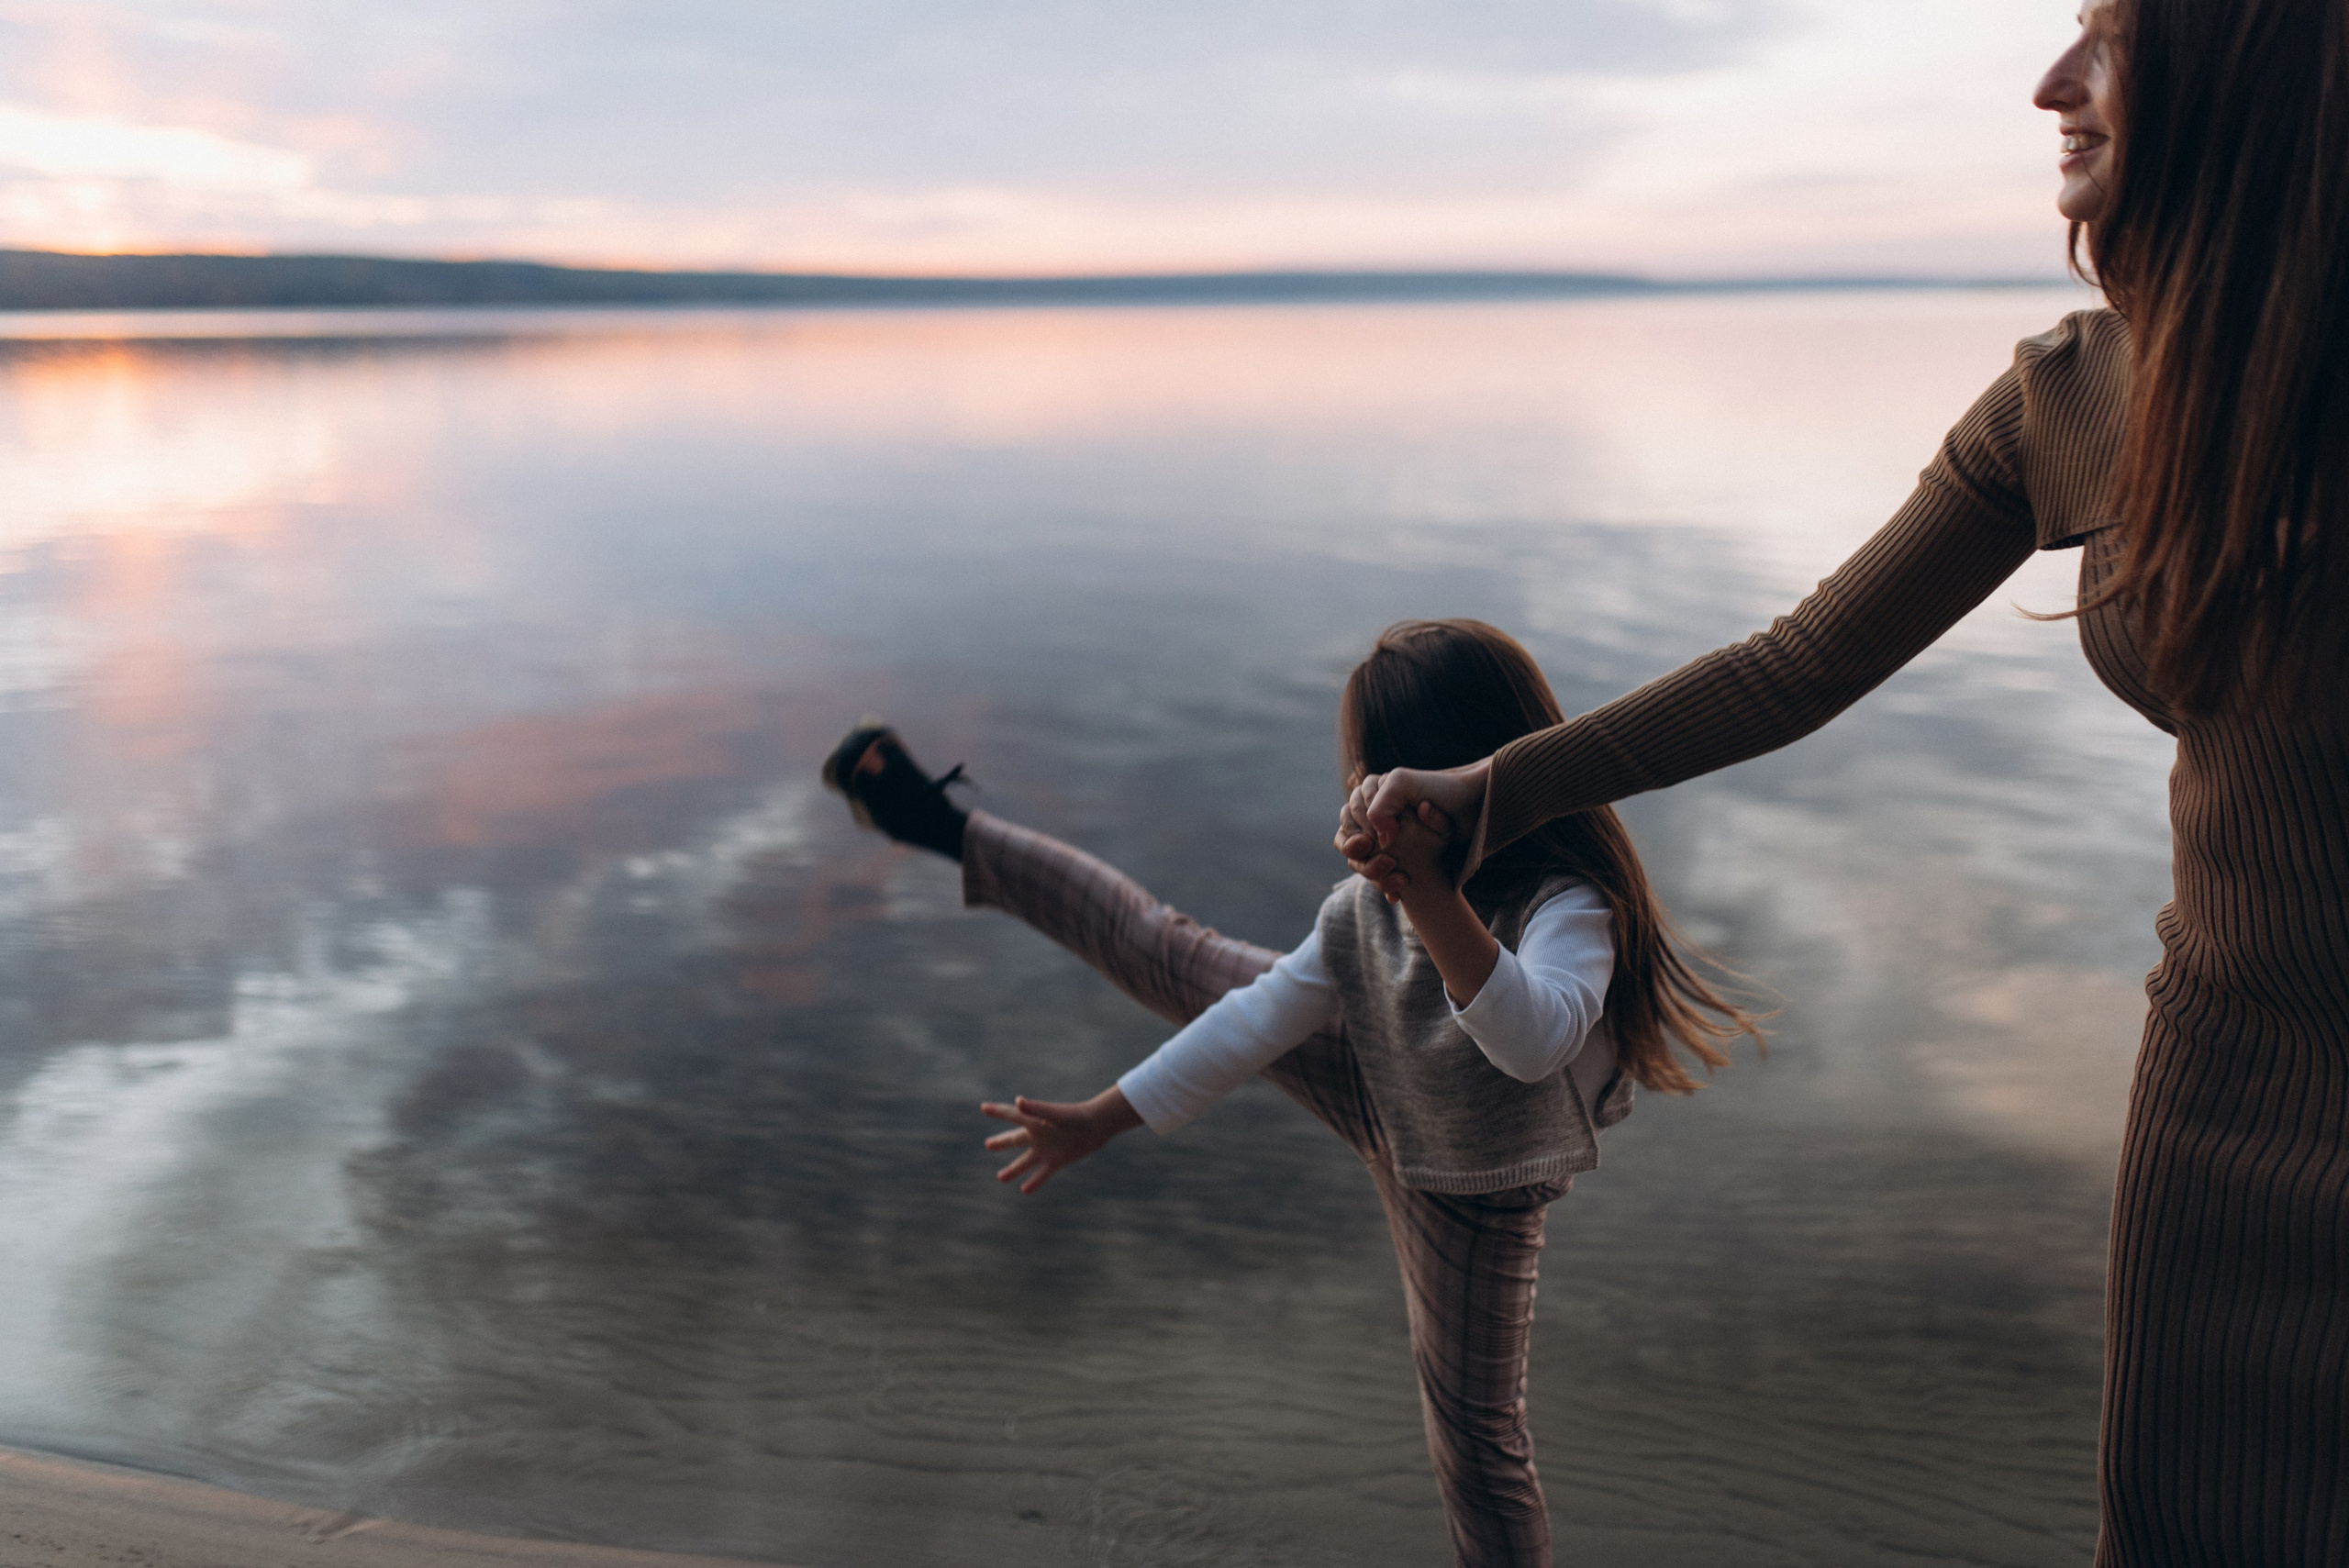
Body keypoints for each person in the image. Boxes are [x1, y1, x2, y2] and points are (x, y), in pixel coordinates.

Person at [1337, 5, 2347, 1563]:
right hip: (2229, 1070)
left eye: (2111, 39)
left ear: (2250, 66)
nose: (2051, 85)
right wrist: (1499, 788)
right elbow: (1801, 661)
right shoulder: (2072, 393)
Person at [824, 620, 1758, 1568]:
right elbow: (1254, 1018)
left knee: (1475, 1439)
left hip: (1471, 1181)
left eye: (1368, 769)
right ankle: (939, 826)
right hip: (1374, 1070)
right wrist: (1104, 1116)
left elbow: (1533, 1042)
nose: (1354, 789)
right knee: (1167, 951)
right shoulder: (1361, 911)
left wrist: (1430, 894)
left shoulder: (1567, 903)